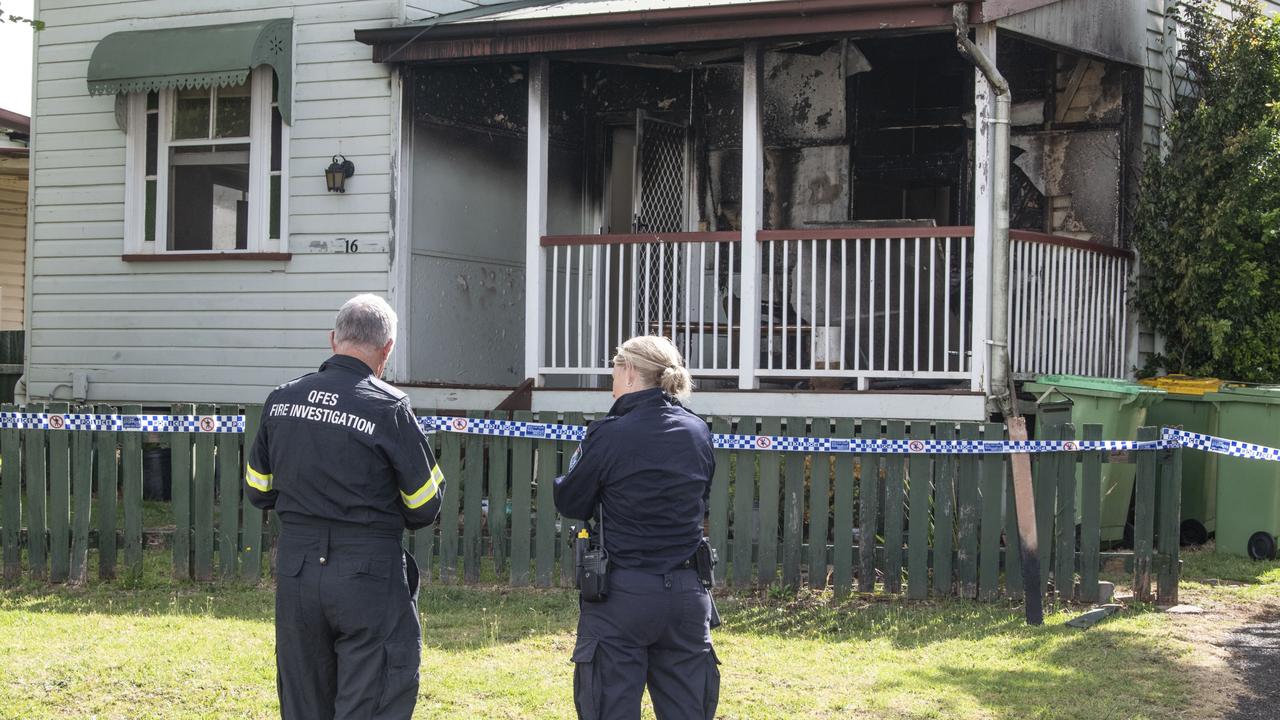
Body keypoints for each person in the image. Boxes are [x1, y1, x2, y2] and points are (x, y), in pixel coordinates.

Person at [244, 293, 445, 720]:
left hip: (297, 567)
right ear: (386, 348)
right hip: (367, 569)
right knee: (372, 696)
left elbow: (257, 488)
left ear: (333, 339)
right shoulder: (389, 407)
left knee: (303, 698)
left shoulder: (281, 400)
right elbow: (426, 503)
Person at [553, 335, 720, 720]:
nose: (611, 374)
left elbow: (571, 501)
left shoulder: (610, 434)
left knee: (608, 706)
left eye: (614, 365)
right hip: (687, 594)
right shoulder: (697, 431)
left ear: (629, 371)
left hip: (623, 594)